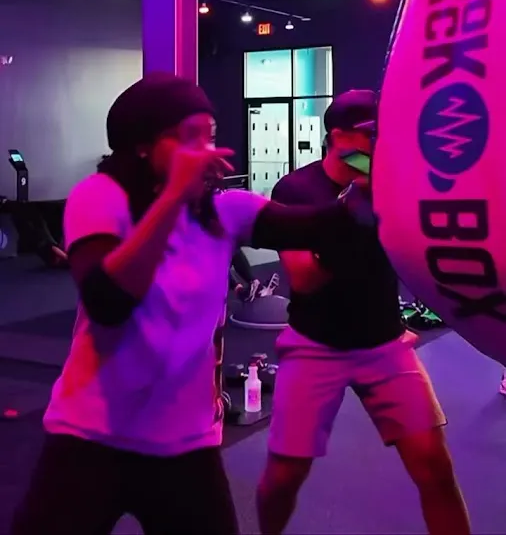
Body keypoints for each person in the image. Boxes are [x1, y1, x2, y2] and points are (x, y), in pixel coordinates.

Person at [12, 73, 371, 535]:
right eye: (188, 138)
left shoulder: (226, 211)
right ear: (142, 145)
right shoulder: (99, 197)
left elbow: (325, 225)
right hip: (92, 436)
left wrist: (368, 191)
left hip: (185, 443)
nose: (205, 152)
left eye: (211, 137)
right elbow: (108, 301)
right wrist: (173, 199)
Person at [257, 90, 470, 535]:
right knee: (283, 477)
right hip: (315, 346)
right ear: (339, 137)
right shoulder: (296, 190)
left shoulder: (390, 185)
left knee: (434, 466)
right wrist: (347, 217)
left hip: (384, 344)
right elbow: (305, 279)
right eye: (372, 134)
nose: (381, 143)